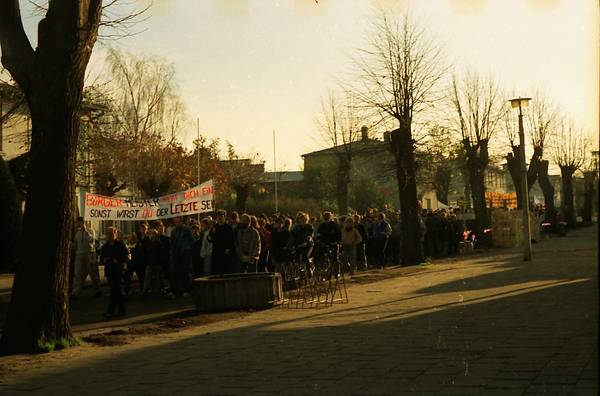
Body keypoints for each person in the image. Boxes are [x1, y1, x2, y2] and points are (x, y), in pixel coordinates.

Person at [99, 227, 129, 319]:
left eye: (112, 233)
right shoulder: (105, 246)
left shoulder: (121, 245)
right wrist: (104, 259)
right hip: (109, 271)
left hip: (118, 270)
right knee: (117, 291)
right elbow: (101, 258)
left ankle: (110, 312)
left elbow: (127, 256)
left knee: (114, 290)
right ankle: (122, 310)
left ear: (116, 234)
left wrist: (118, 260)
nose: (110, 235)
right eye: (108, 234)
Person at [71, 217, 102, 299]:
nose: (76, 224)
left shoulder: (90, 231)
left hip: (89, 254)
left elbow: (91, 241)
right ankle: (75, 292)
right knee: (78, 274)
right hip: (79, 254)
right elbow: (75, 244)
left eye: (78, 222)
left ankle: (97, 290)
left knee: (93, 273)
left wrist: (86, 231)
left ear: (82, 222)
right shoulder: (77, 233)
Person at [170, 216, 195, 297]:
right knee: (176, 273)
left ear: (181, 222)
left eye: (178, 222)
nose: (177, 223)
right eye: (176, 222)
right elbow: (172, 242)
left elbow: (192, 240)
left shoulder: (187, 229)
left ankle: (187, 290)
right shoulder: (173, 231)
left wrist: (188, 247)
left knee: (185, 273)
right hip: (176, 254)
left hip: (185, 254)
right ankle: (177, 291)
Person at [209, 209, 236, 274]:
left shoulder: (228, 227)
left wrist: (228, 248)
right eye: (218, 216)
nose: (220, 218)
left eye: (221, 216)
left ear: (224, 217)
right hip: (216, 251)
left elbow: (231, 239)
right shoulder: (215, 227)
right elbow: (210, 238)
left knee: (224, 270)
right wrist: (212, 234)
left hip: (224, 251)